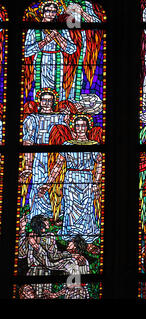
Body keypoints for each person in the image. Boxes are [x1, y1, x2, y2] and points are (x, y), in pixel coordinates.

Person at [20, 89, 70, 220]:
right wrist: (28, 166)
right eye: (44, 100)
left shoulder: (59, 117)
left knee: (56, 185)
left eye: (50, 100)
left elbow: (66, 137)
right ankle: (37, 216)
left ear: (53, 102)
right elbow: (28, 142)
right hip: (40, 156)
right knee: (38, 184)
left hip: (55, 157)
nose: (47, 103)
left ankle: (56, 216)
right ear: (39, 101)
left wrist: (67, 119)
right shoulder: (33, 118)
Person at [38, 145, 103, 244]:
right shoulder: (67, 145)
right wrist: (48, 184)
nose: (80, 128)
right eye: (77, 127)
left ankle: (86, 233)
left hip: (86, 178)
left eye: (83, 127)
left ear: (87, 128)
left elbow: (99, 163)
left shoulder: (93, 144)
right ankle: (71, 233)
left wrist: (96, 182)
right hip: (71, 179)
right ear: (74, 128)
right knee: (70, 206)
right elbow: (58, 165)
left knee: (86, 207)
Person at [24, 1, 77, 101]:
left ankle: (56, 108)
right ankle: (40, 108)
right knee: (40, 85)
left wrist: (58, 36)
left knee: (58, 86)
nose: (50, 14)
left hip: (57, 61)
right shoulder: (34, 29)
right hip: (41, 60)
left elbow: (72, 49)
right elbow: (26, 52)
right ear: (43, 12)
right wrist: (45, 41)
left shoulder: (62, 29)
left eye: (53, 11)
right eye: (48, 11)